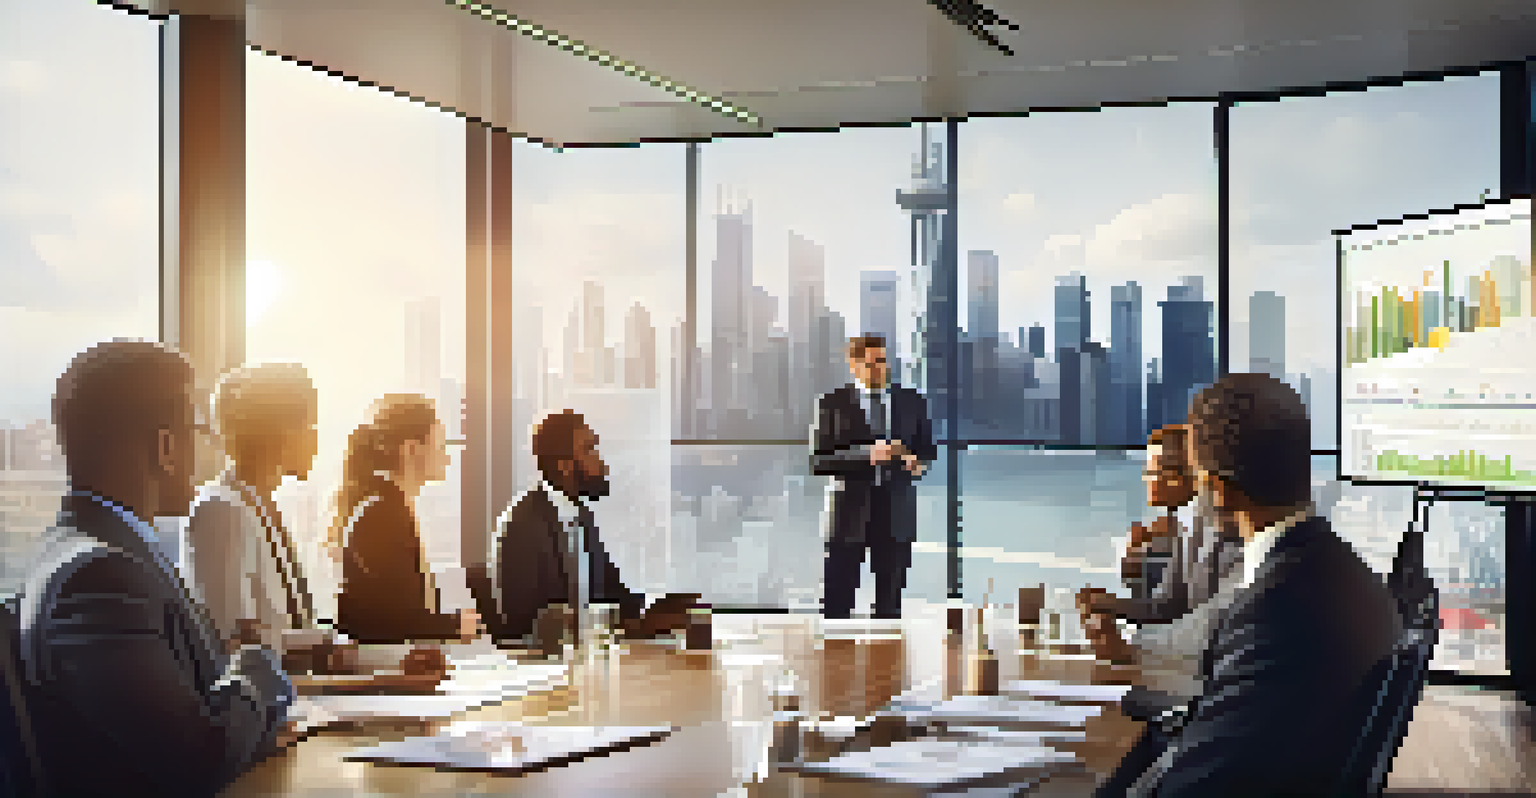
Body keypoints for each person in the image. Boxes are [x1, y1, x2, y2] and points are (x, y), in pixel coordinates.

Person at [1096, 374, 1403, 798]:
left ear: (1218, 491)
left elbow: (1195, 784)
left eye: (1199, 481)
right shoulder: (1337, 569)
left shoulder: (1278, 608)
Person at [17, 340, 293, 797]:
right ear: (165, 447)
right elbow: (198, 756)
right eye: (199, 430)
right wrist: (256, 668)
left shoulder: (99, 554)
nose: (208, 450)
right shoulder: (99, 579)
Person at [480, 410, 697, 644]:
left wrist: (654, 612)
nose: (601, 461)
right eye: (589, 450)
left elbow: (614, 594)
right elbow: (524, 622)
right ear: (565, 466)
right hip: (547, 668)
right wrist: (620, 624)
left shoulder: (581, 516)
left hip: (590, 658)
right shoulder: (520, 526)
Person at [185, 362, 320, 657]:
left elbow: (282, 627)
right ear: (281, 432)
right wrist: (321, 644)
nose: (316, 439)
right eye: (310, 425)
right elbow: (231, 641)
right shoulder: (221, 511)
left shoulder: (258, 506)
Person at [331, 394, 481, 645]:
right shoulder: (381, 515)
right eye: (440, 445)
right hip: (385, 670)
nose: (447, 456)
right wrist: (457, 624)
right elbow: (397, 619)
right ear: (411, 449)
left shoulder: (391, 507)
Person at [810, 335, 937, 620]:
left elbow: (927, 452)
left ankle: (887, 665)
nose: (878, 368)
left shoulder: (912, 401)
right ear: (853, 365)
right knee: (836, 605)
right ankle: (832, 663)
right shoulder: (832, 403)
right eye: (870, 363)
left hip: (895, 515)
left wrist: (918, 463)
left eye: (882, 361)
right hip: (848, 516)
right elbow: (818, 461)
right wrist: (868, 455)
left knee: (889, 609)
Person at [1079, 424, 1243, 626]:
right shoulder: (1186, 524)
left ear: (1176, 477)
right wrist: (1109, 601)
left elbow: (1183, 615)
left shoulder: (1211, 527)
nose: (1145, 479)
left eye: (1150, 471)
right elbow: (1166, 606)